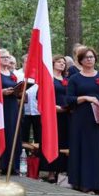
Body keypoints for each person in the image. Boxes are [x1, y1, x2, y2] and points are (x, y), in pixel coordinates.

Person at [66, 47, 99, 194]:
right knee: (84, 150)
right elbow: (69, 99)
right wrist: (86, 98)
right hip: (81, 119)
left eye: (92, 57)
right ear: (80, 60)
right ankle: (84, 184)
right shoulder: (74, 79)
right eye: (86, 57)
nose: (89, 59)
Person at [43, 55, 70, 183]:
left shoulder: (66, 79)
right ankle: (50, 171)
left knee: (64, 142)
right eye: (59, 62)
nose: (61, 64)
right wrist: (52, 107)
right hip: (52, 114)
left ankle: (62, 171)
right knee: (52, 141)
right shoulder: (49, 78)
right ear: (53, 63)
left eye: (63, 63)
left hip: (66, 114)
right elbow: (41, 96)